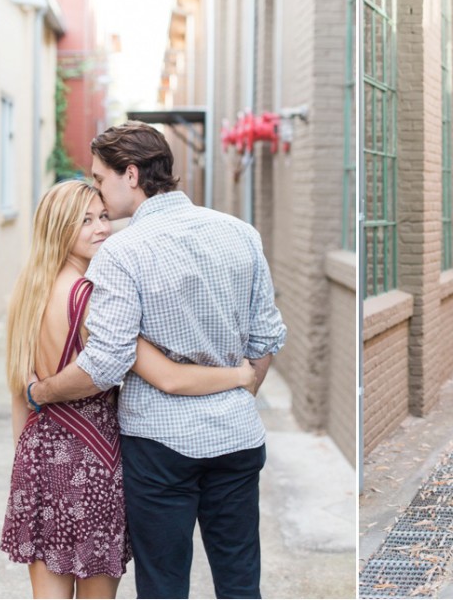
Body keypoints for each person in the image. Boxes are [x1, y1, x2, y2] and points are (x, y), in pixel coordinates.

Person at [27, 121, 287, 599]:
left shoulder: (122, 252)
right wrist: (243, 387)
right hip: (236, 435)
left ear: (130, 174)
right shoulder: (240, 233)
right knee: (239, 578)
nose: (100, 197)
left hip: (159, 446)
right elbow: (267, 335)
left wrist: (39, 392)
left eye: (100, 179)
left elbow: (103, 365)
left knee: (164, 586)